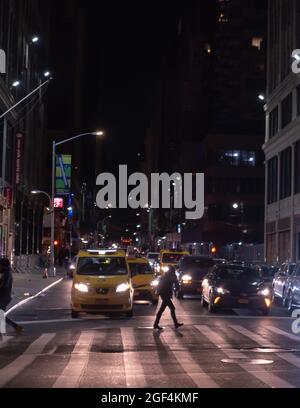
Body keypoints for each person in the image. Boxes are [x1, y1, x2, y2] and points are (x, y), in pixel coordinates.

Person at [153, 266, 184, 331]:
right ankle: (175, 324)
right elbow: (177, 285)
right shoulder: (172, 276)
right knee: (171, 308)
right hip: (165, 294)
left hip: (162, 293)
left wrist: (158, 291)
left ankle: (156, 324)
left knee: (162, 309)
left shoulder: (165, 275)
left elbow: (160, 284)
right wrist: (178, 289)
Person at [0, 258, 24, 335]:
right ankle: (16, 327)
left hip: (4, 296)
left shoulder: (7, 274)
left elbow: (4, 286)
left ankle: (4, 330)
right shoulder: (6, 273)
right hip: (6, 296)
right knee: (1, 315)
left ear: (3, 266)